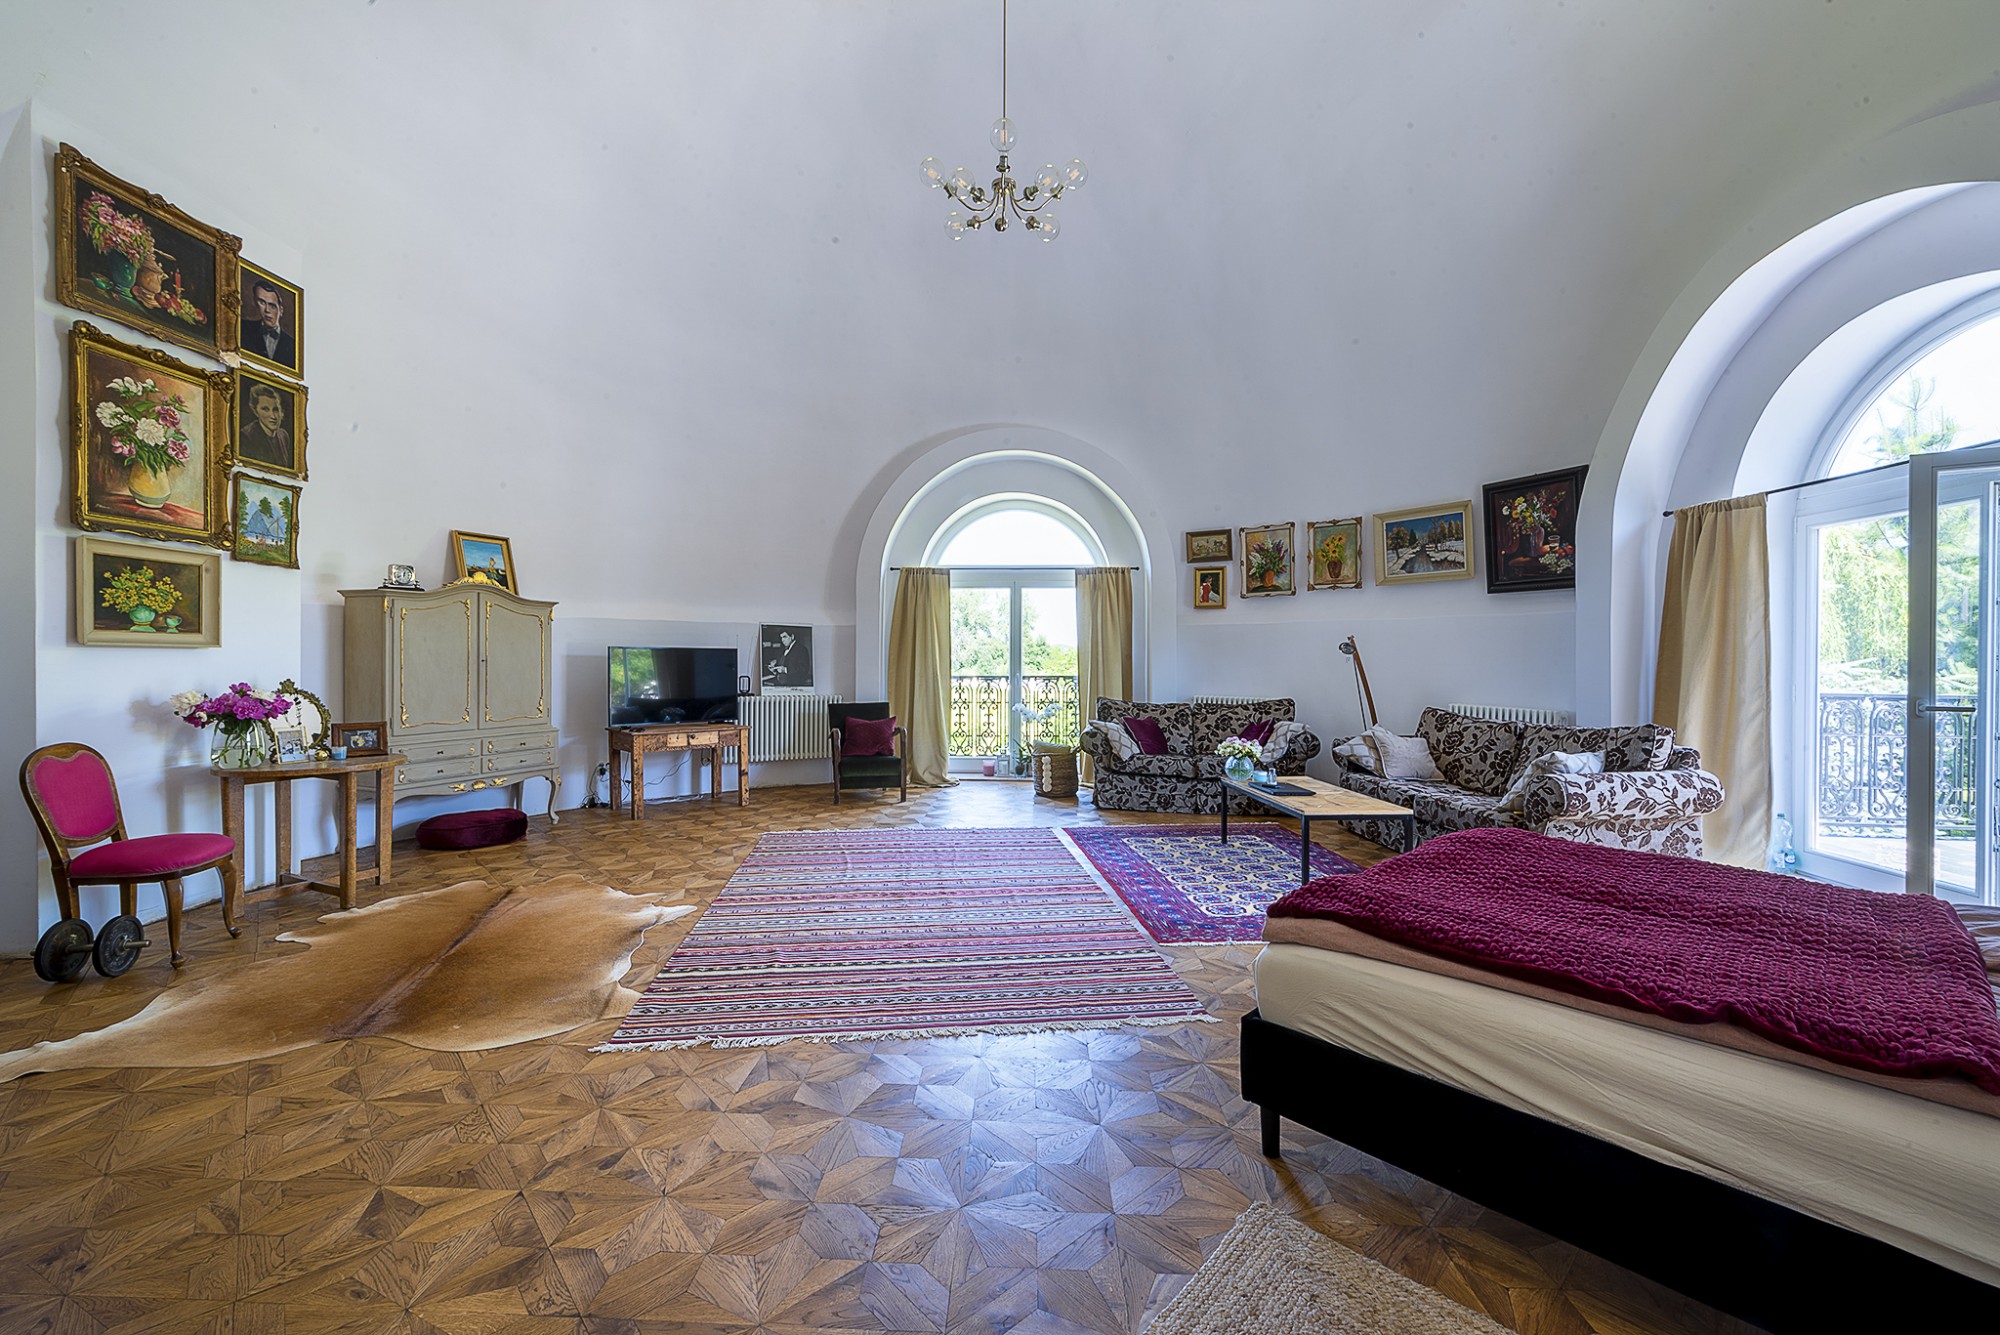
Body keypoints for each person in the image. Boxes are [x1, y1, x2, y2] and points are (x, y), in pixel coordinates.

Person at [240, 278, 295, 367]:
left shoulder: (293, 345)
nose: (267, 310)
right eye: (262, 303)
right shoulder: (244, 328)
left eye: (272, 306)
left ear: (281, 310)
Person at [238, 382, 292, 469]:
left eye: (275, 410)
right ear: (256, 411)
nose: (273, 416)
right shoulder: (246, 436)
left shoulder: (284, 435)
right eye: (265, 409)